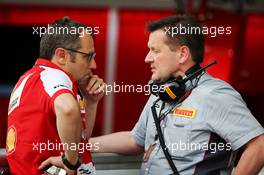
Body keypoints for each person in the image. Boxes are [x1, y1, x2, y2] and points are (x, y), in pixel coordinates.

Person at [90, 15, 264, 175]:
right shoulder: (162, 93)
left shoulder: (215, 95)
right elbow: (135, 140)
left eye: (155, 50)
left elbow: (259, 145)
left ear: (182, 54)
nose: (147, 58)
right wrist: (82, 145)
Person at [6, 17, 105, 175]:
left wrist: (91, 102)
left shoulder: (30, 79)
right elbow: (68, 109)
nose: (94, 65)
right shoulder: (53, 77)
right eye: (88, 56)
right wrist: (70, 163)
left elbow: (79, 140)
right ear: (61, 56)